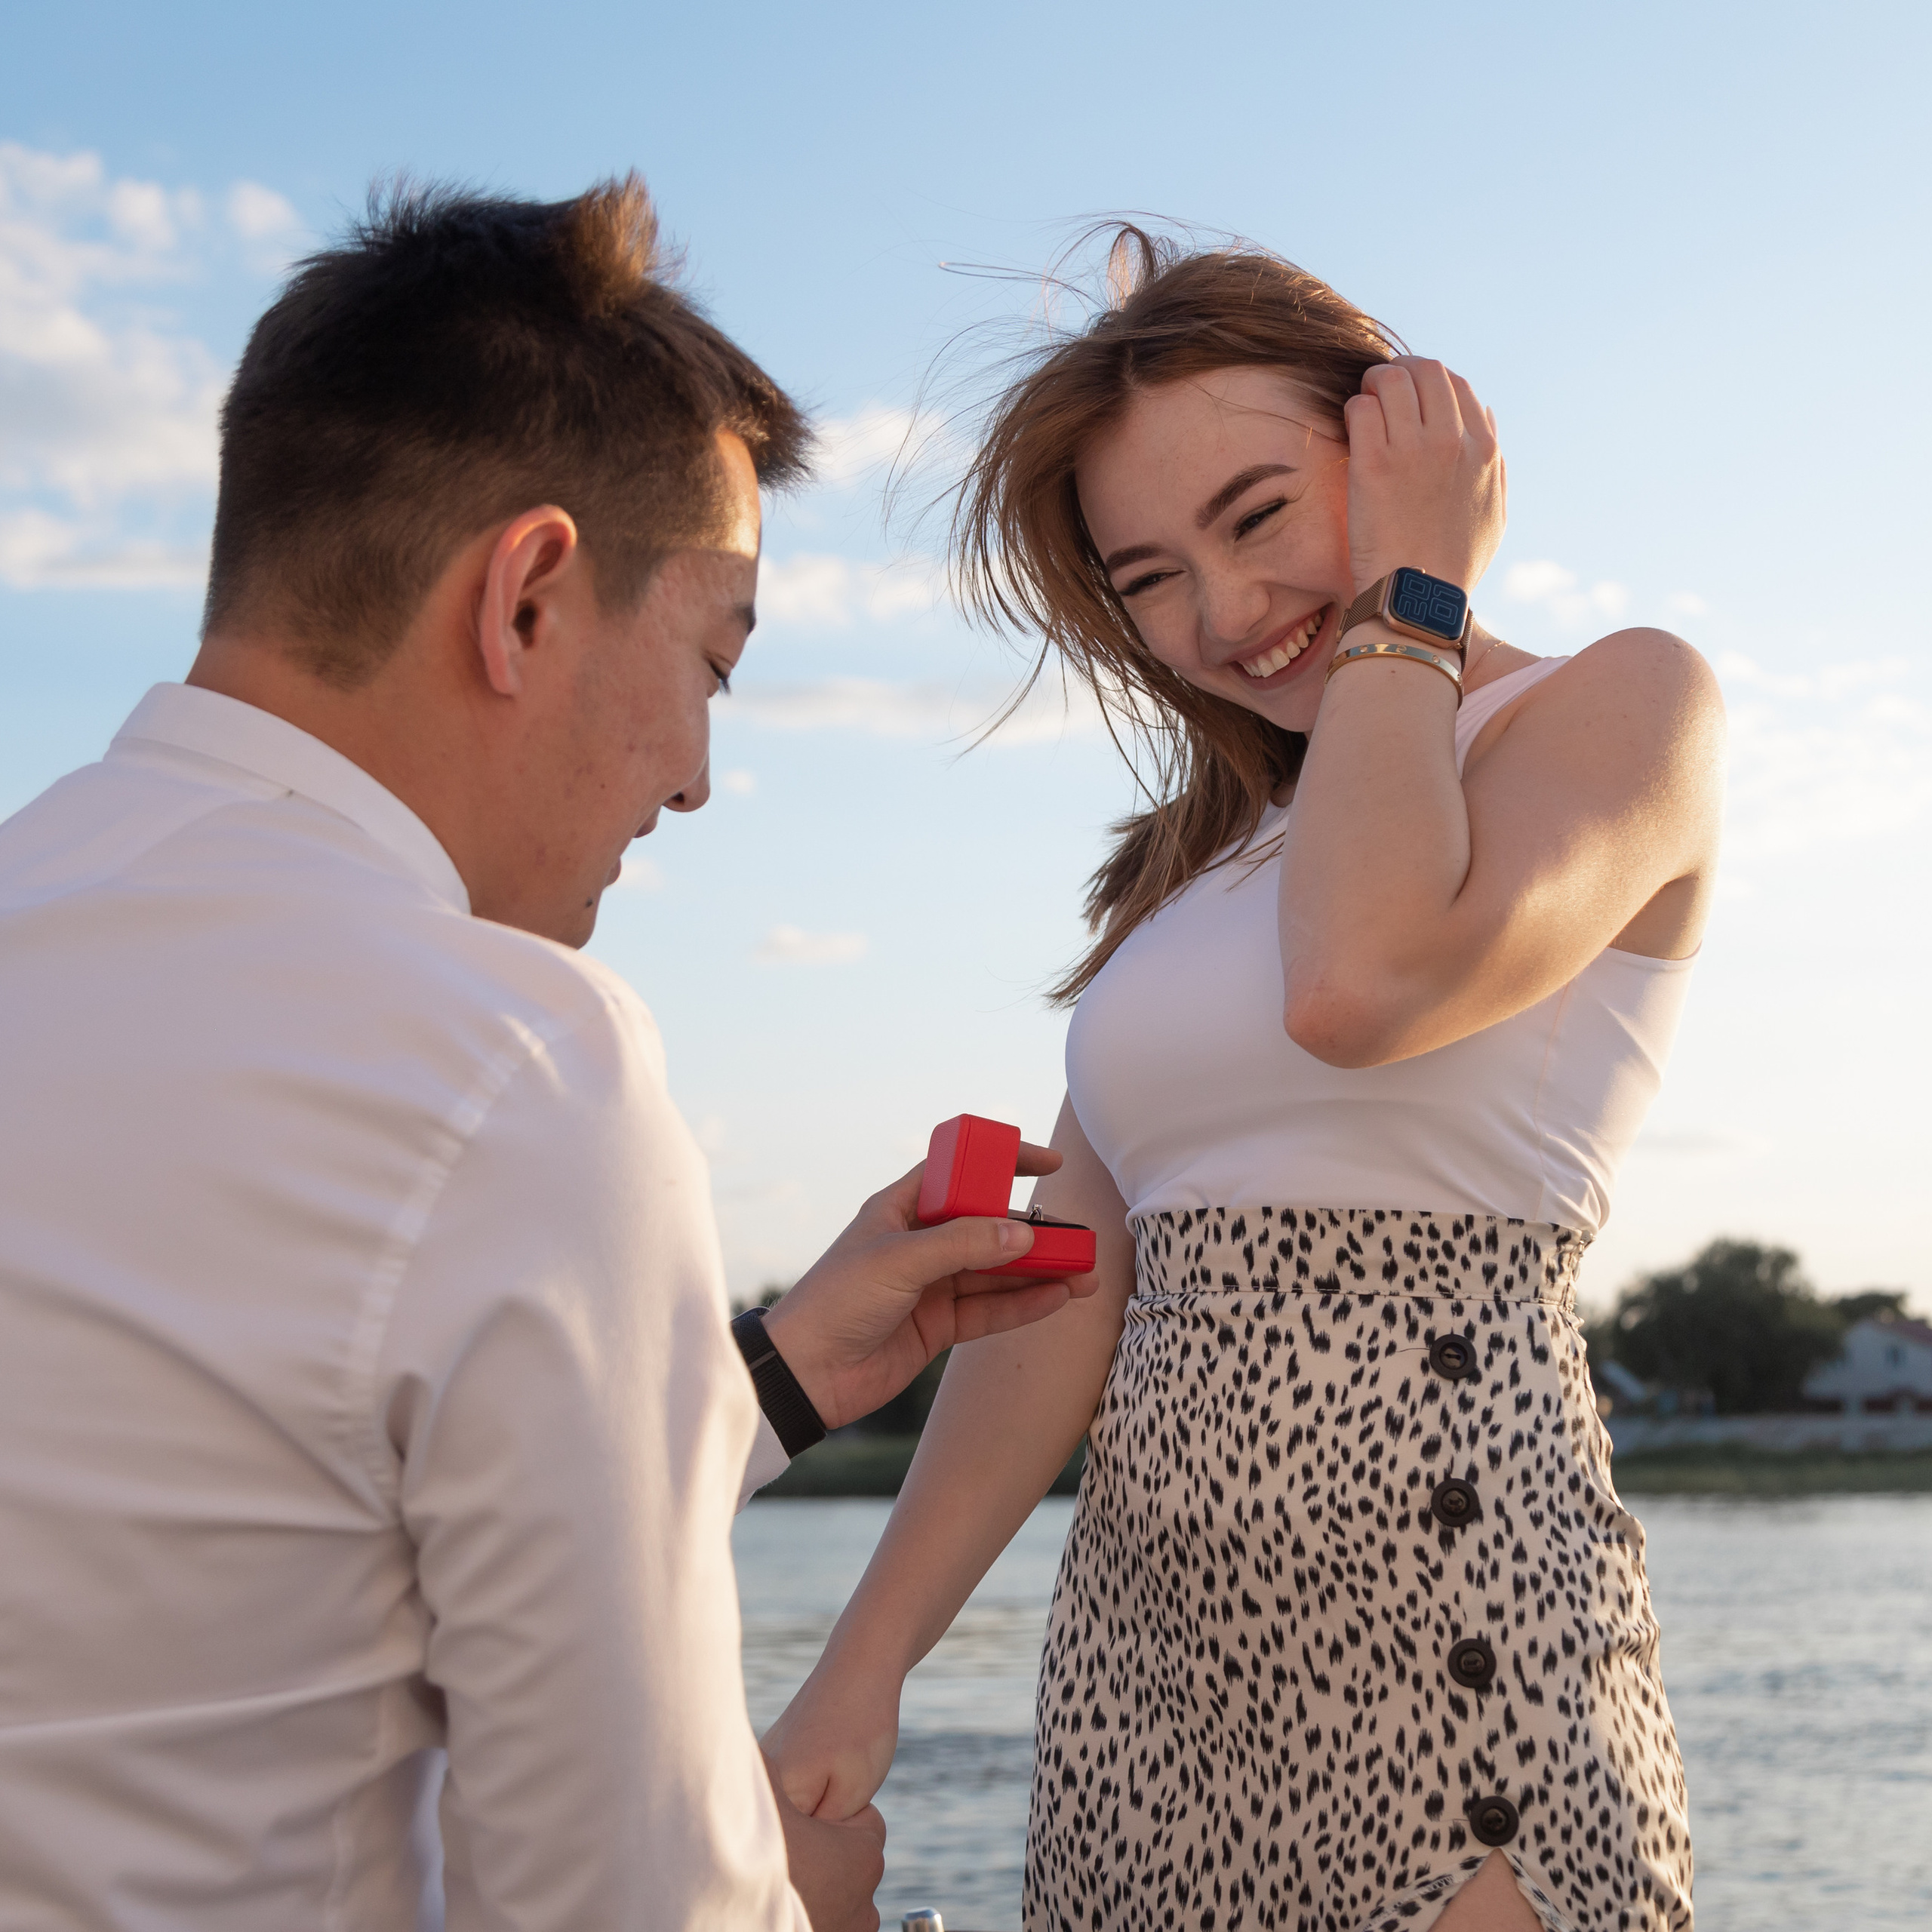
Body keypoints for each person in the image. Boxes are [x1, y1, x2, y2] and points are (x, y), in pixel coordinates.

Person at [0, 178, 1092, 1932]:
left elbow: (254, 1502)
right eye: (714, 663)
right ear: (527, 597)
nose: (693, 777)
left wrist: (779, 1370)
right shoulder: (510, 1062)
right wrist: (787, 1897)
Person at [762, 230, 1722, 1930]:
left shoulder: (1619, 705)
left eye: (1257, 515)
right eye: (1143, 576)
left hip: (1457, 1636)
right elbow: (1062, 1295)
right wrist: (865, 1661)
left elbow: (1359, 983)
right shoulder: (1192, 867)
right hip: (1144, 1671)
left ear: (1405, 440)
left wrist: (1411, 589)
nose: (1216, 614)